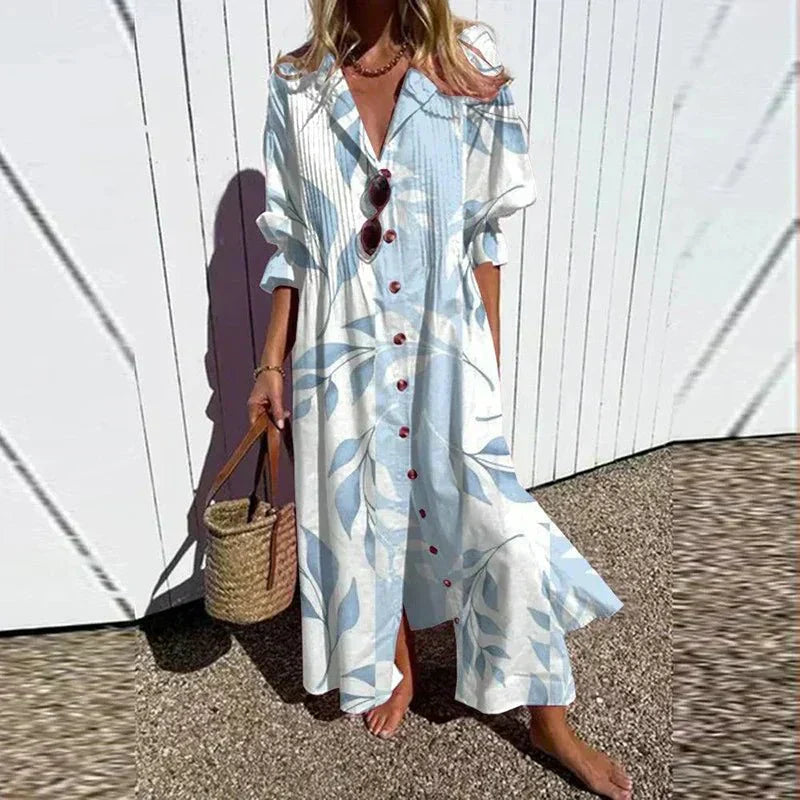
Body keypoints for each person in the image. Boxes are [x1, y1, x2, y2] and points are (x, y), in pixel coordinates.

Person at [248, 2, 632, 798]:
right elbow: (293, 244)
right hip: (339, 352)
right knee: (366, 508)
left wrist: (486, 362)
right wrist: (270, 363)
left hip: (443, 345)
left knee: (506, 529)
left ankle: (549, 718)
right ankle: (395, 651)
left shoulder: (466, 63)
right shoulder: (297, 84)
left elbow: (485, 234)